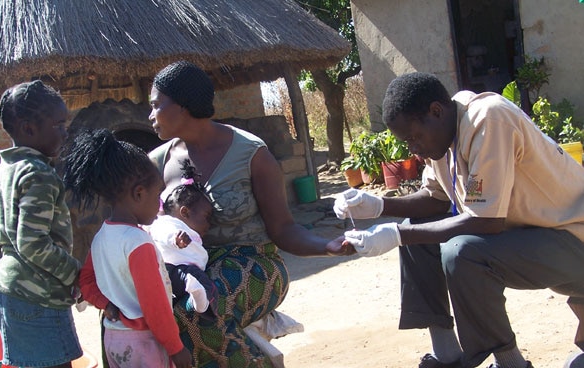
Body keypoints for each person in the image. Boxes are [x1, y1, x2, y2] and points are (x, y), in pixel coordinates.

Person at [334, 72, 584, 368]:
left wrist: (396, 235)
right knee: (415, 226)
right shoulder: (440, 136)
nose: (413, 149)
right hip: (535, 239)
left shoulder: (489, 120)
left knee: (462, 253)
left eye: (414, 137)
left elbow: (486, 222)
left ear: (436, 112)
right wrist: (377, 206)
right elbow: (435, 198)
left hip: (572, 240)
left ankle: (511, 364)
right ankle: (447, 354)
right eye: (407, 142)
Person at [148, 60, 352, 367]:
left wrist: (326, 246)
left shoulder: (250, 153)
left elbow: (283, 229)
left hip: (255, 263)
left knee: (196, 311)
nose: (150, 116)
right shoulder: (159, 162)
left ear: (182, 106)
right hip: (188, 269)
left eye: (155, 106)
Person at [63, 129, 192, 368]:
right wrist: (176, 348)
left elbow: (87, 282)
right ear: (139, 194)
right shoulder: (137, 242)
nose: (160, 203)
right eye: (157, 195)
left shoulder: (103, 234)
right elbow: (154, 307)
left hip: (114, 339)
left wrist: (106, 304)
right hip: (144, 343)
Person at [0, 80, 82, 368]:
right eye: (58, 124)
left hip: (11, 290)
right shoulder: (39, 174)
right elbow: (33, 243)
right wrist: (76, 274)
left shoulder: (6, 170)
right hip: (38, 297)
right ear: (28, 129)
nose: (65, 131)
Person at [145, 158, 218, 318]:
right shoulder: (168, 224)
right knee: (203, 283)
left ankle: (196, 300)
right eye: (207, 216)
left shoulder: (189, 233)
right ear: (184, 212)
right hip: (173, 271)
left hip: (176, 277)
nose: (209, 223)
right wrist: (175, 238)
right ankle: (201, 304)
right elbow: (161, 232)